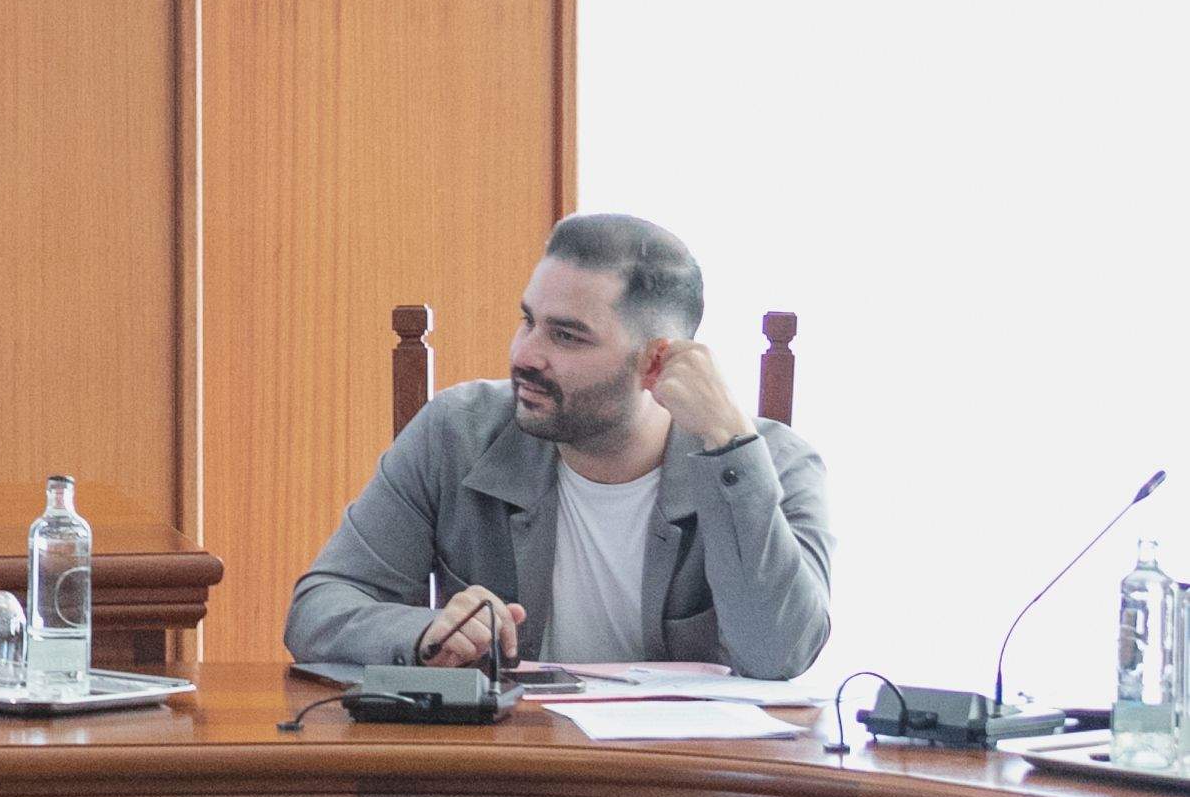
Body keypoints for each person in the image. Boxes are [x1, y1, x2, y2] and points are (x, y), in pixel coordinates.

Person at [285, 212, 833, 676]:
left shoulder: (776, 465)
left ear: (656, 362)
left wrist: (730, 449)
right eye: (529, 321)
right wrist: (424, 629)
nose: (525, 354)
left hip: (684, 787)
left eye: (566, 336)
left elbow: (779, 654)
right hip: (509, 771)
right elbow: (319, 610)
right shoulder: (457, 432)